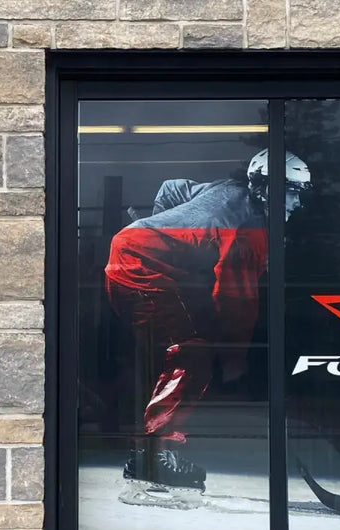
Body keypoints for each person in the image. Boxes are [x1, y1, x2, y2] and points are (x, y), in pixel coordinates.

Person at [105, 150, 311, 504]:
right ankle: (154, 459)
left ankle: (158, 452)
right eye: (292, 193)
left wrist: (162, 229)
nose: (297, 203)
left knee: (187, 351)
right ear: (267, 189)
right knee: (192, 354)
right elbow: (236, 299)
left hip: (140, 262)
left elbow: (173, 188)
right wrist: (235, 358)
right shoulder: (251, 231)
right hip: (139, 271)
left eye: (300, 194)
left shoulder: (227, 189)